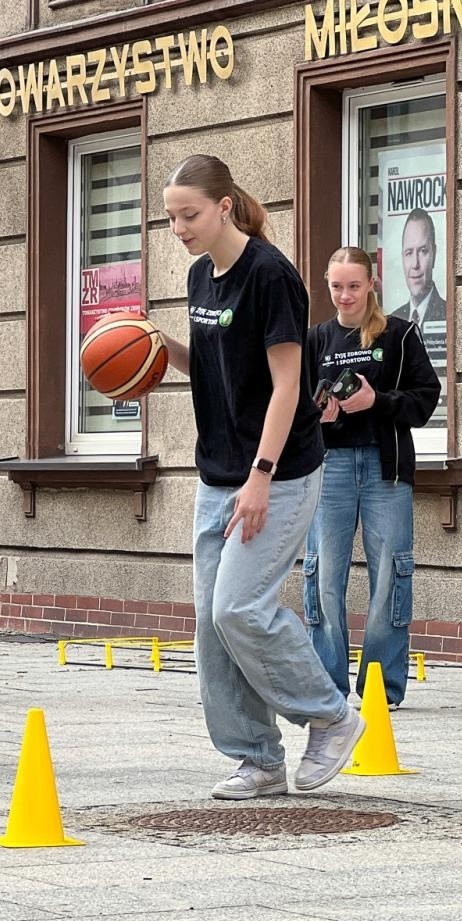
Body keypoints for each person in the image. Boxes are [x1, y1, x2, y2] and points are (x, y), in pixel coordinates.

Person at [155, 154, 362, 801]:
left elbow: (286, 384)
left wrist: (262, 476)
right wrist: (155, 352)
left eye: (188, 215)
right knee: (212, 624)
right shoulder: (199, 279)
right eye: (170, 217)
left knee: (239, 607)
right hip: (219, 472)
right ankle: (257, 757)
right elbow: (212, 366)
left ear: (223, 207)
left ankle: (330, 715)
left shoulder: (271, 276)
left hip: (282, 470)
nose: (179, 228)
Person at [306, 247, 441, 709]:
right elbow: (293, 405)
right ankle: (328, 686)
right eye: (337, 286)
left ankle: (382, 690)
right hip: (329, 467)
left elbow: (425, 400)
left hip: (387, 468)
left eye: (354, 286)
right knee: (324, 576)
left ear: (372, 284)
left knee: (389, 576)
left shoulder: (400, 335)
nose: (345, 296)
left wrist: (376, 402)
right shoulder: (315, 340)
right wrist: (317, 416)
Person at [389, 208, 446, 329]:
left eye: (423, 251)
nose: (415, 264)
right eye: (409, 253)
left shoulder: (448, 313)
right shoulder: (392, 320)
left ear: (434, 254)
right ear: (402, 258)